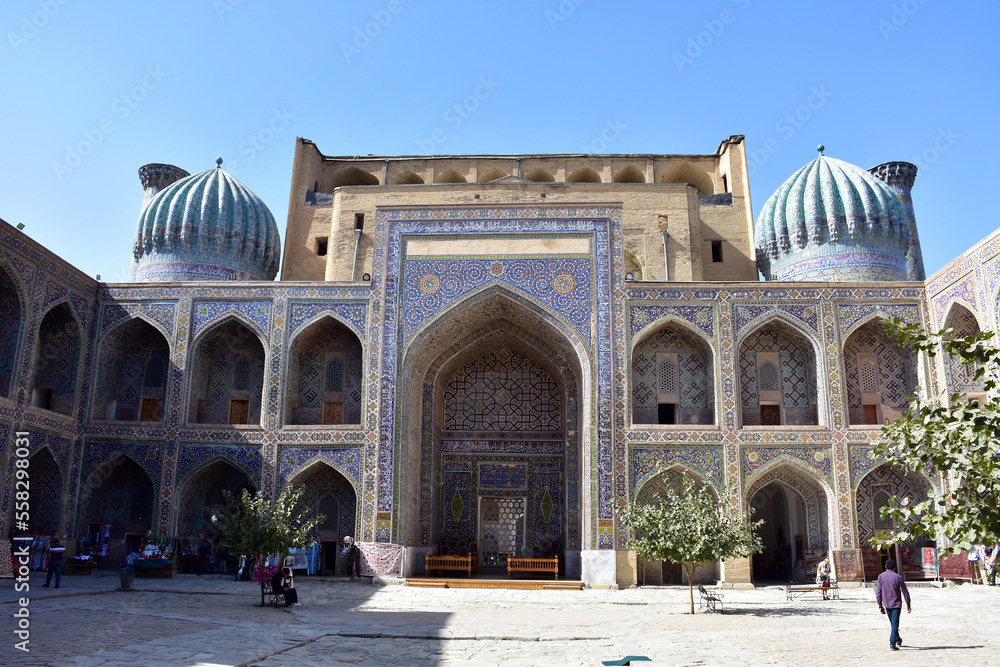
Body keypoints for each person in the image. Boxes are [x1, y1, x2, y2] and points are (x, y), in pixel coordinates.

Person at [875, 559, 911, 651]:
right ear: (895, 567)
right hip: (897, 604)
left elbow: (878, 592)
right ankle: (892, 643)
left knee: (893, 623)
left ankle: (898, 639)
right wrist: (908, 603)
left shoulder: (881, 577)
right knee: (894, 624)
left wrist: (880, 605)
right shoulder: (898, 577)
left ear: (886, 567)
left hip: (887, 604)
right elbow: (904, 591)